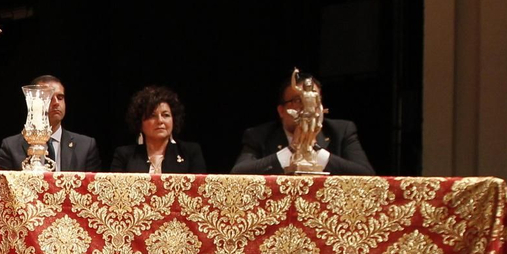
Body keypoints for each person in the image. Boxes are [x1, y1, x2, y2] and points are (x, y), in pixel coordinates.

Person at [230, 73, 374, 175]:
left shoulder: (341, 131)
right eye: (298, 101)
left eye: (315, 100)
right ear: (281, 111)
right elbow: (238, 173)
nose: (306, 107)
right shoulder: (259, 135)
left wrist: (314, 150)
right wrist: (293, 149)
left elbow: (367, 175)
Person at [0, 75, 101, 171]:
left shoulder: (86, 146)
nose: (56, 103)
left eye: (60, 97)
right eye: (49, 97)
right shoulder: (11, 147)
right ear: (33, 102)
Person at [109, 86, 206, 174]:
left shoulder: (190, 152)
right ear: (140, 122)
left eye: (166, 115)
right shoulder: (124, 156)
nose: (160, 121)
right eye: (152, 116)